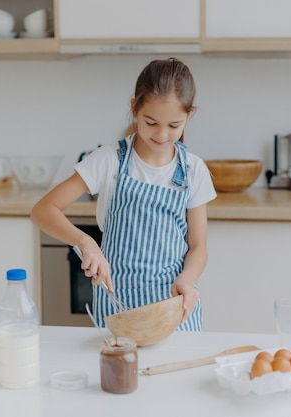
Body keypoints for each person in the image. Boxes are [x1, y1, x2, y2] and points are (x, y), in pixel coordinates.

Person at [31, 58, 217, 331]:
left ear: (189, 116)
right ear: (134, 108)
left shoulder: (193, 170)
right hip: (118, 307)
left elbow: (198, 246)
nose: (162, 135)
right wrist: (86, 242)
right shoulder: (109, 160)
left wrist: (187, 280)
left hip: (174, 310)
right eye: (151, 122)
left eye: (174, 125)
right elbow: (43, 210)